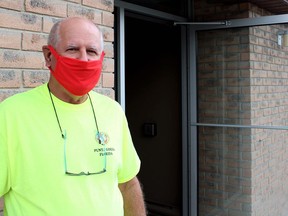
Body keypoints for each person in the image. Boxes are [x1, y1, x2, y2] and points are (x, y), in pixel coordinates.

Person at [0, 17, 146, 216]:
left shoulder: (113, 111)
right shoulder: (11, 113)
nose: (83, 59)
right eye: (72, 49)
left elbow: (128, 184)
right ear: (49, 56)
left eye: (92, 51)